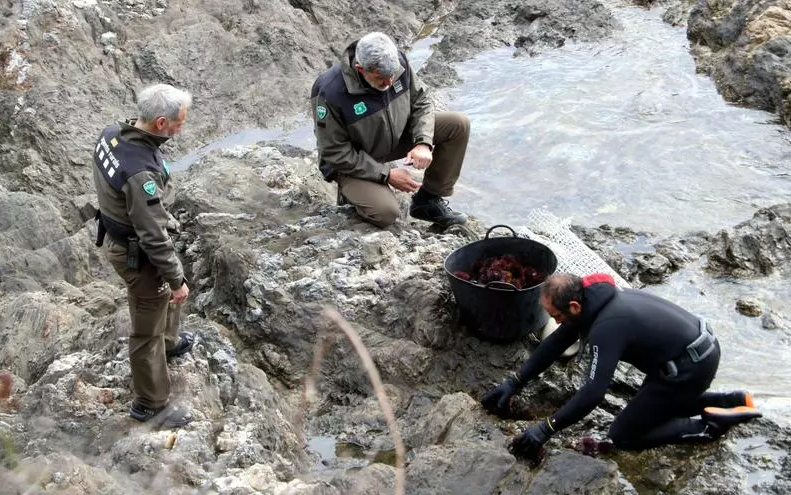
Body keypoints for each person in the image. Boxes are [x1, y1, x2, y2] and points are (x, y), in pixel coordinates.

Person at [481, 273, 762, 463]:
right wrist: (513, 382)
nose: (554, 322)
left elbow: (593, 393)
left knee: (623, 436)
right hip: (694, 352)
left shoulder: (607, 327)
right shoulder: (595, 299)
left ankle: (709, 426)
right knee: (649, 408)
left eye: (556, 316)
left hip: (688, 368)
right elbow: (554, 344)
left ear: (574, 306)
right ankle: (732, 401)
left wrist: (545, 429)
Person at [92, 83, 197, 428]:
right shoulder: (141, 174)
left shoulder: (113, 134)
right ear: (161, 123)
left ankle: (169, 342)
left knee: (161, 299)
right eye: (180, 122)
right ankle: (150, 404)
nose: (184, 127)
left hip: (121, 236)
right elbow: (152, 236)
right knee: (146, 324)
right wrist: (176, 278)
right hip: (137, 252)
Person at [310, 32, 470, 228]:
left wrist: (423, 142)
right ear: (361, 69)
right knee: (386, 214)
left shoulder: (398, 62)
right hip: (353, 158)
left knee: (457, 125)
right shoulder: (329, 91)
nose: (389, 83)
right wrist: (386, 174)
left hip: (394, 136)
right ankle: (351, 195)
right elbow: (334, 152)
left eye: (392, 76)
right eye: (381, 78)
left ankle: (427, 201)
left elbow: (421, 100)